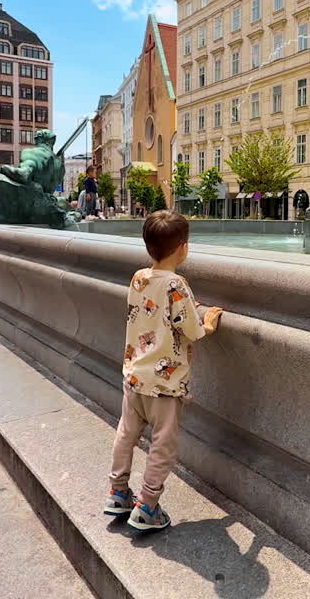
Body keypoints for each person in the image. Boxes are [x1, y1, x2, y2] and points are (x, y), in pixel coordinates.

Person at [105, 210, 223, 532]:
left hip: (134, 375)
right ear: (183, 247)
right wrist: (209, 322)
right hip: (165, 384)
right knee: (162, 445)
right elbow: (192, 329)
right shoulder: (177, 284)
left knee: (126, 435)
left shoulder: (139, 278)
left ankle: (118, 492)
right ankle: (147, 505)